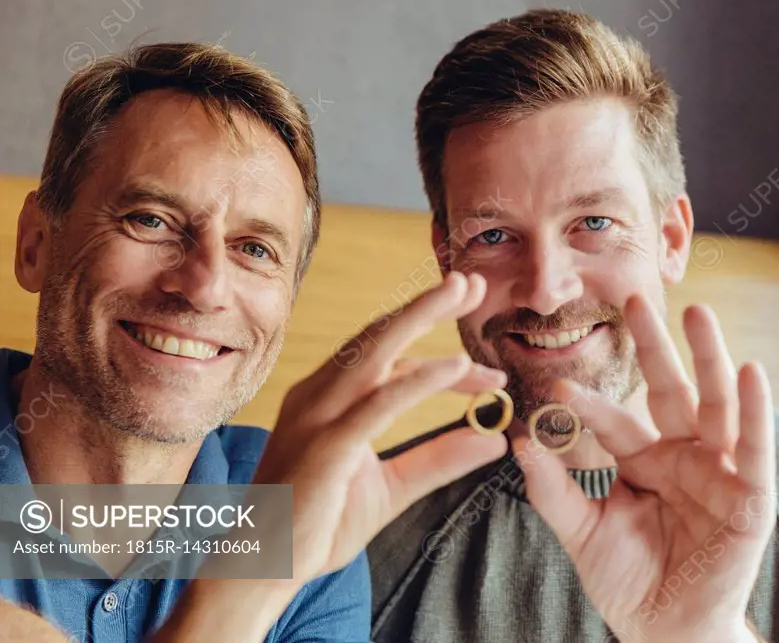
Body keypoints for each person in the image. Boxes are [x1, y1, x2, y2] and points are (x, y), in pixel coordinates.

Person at [366, 9, 779, 642]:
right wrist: (270, 487)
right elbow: (242, 536)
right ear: (447, 256)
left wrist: (700, 632)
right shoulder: (360, 510)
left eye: (594, 224)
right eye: (494, 235)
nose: (545, 289)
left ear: (671, 238)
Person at [0, 44, 509, 642]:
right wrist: (251, 579)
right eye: (151, 219)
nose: (205, 287)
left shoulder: (301, 505)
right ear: (35, 244)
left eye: (255, 249)